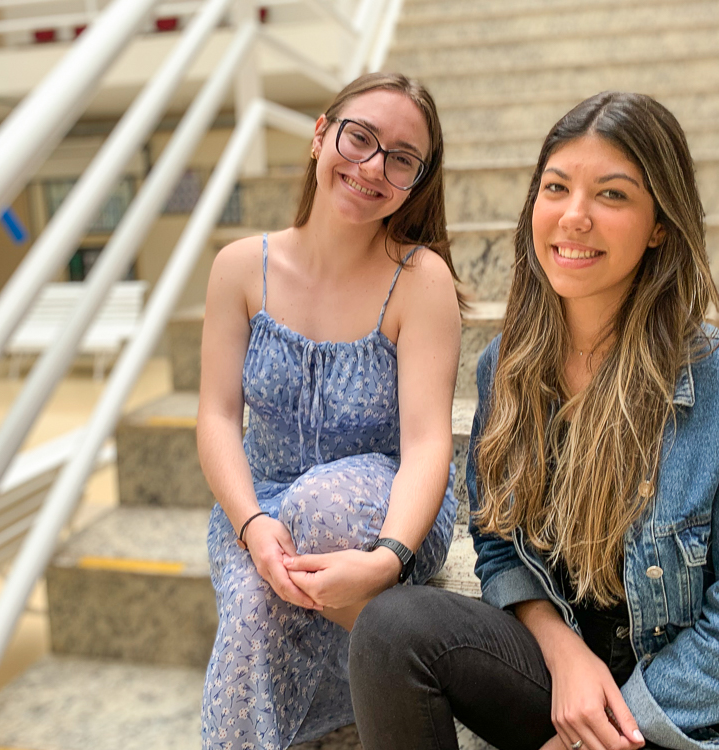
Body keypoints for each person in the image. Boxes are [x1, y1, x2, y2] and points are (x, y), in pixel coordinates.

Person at [349, 92, 719, 750]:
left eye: (612, 195)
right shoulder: (510, 365)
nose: (574, 216)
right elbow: (499, 542)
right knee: (392, 629)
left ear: (660, 225)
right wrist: (562, 651)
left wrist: (592, 736)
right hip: (574, 679)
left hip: (698, 713)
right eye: (556, 187)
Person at [197, 72, 462, 750]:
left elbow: (429, 445)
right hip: (259, 507)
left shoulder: (420, 279)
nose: (372, 167)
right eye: (360, 138)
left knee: (319, 506)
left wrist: (388, 560)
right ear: (321, 135)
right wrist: (252, 524)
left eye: (401, 158)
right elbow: (217, 418)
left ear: (416, 181)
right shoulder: (239, 267)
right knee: (253, 606)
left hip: (387, 509)